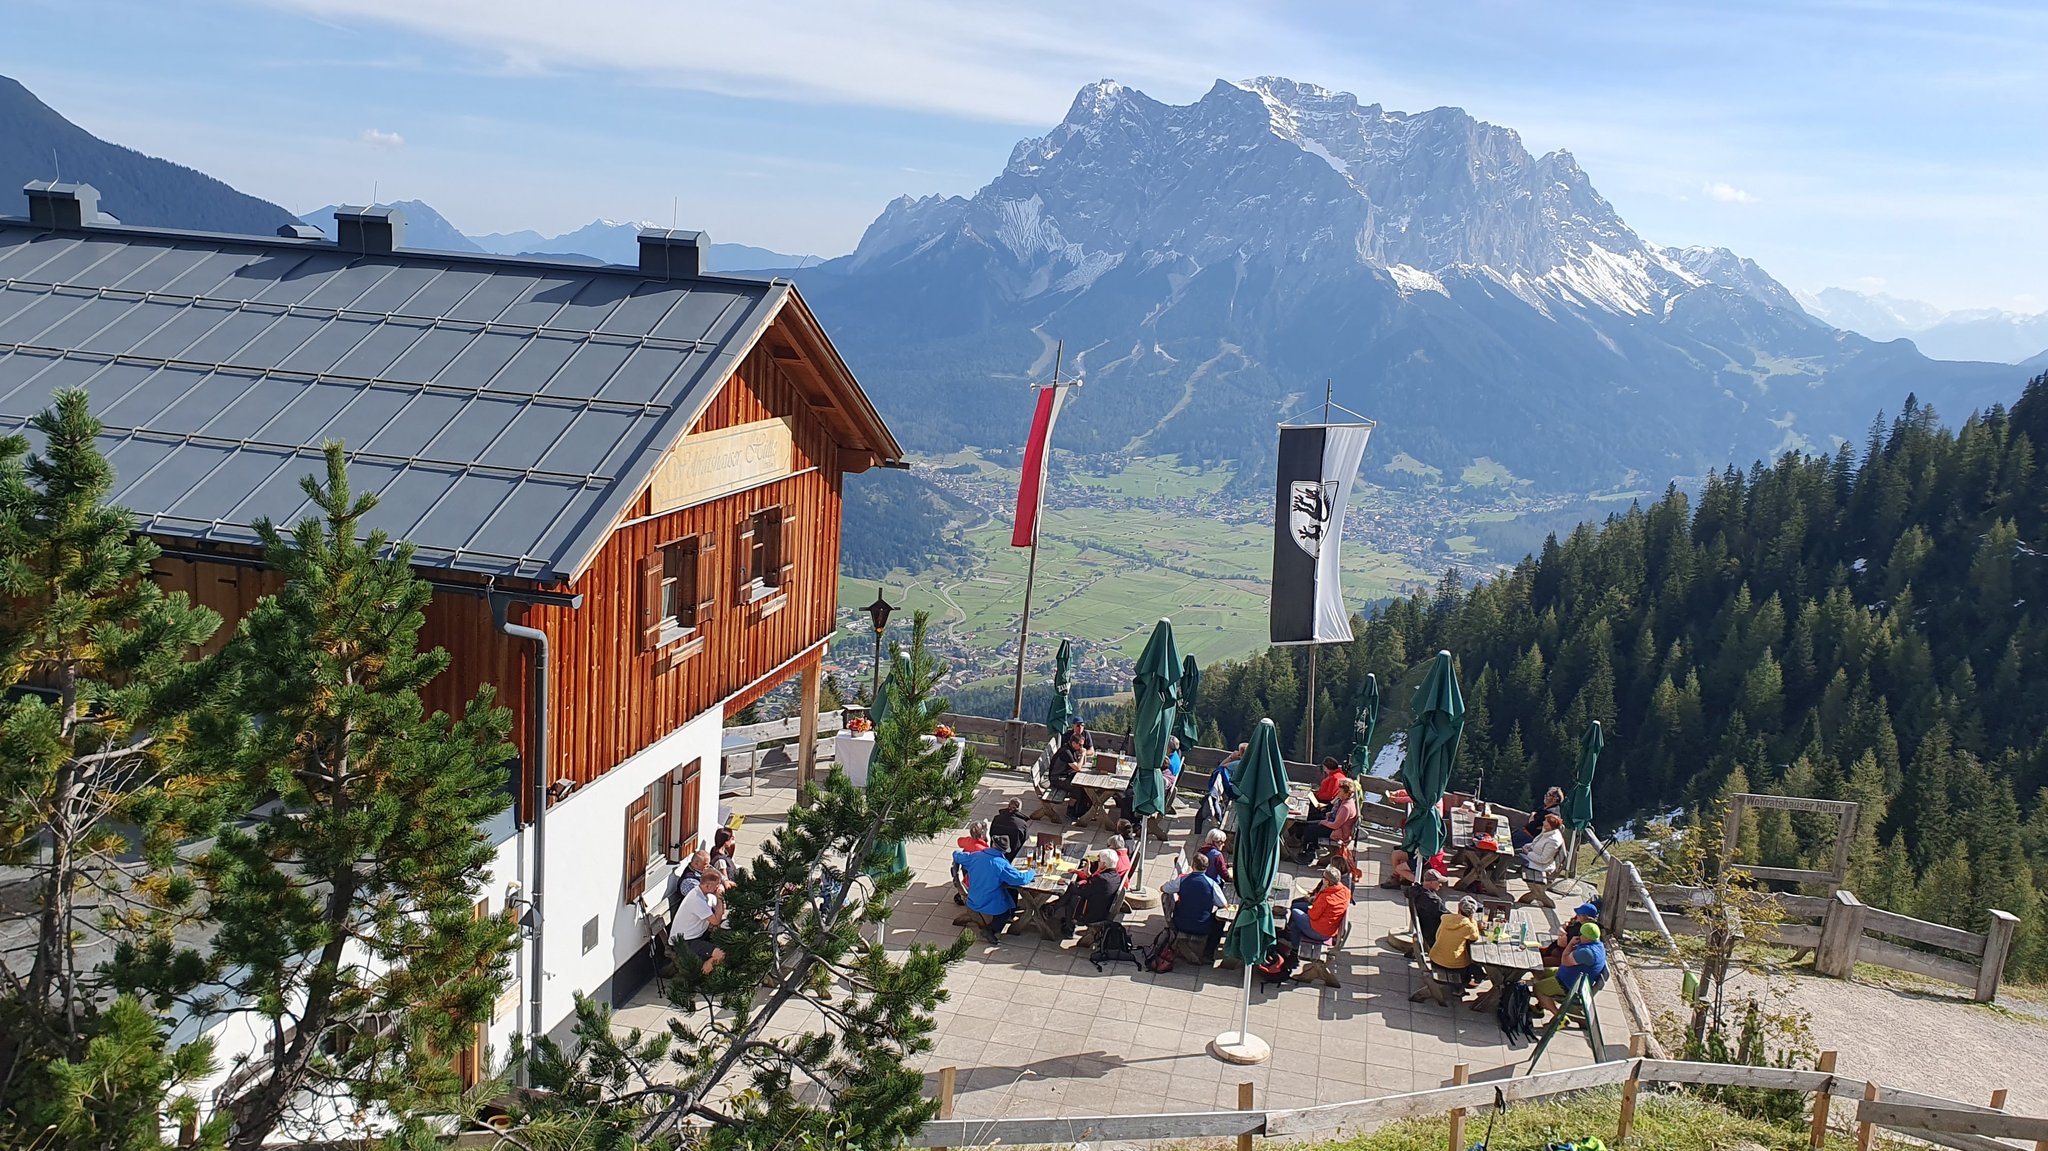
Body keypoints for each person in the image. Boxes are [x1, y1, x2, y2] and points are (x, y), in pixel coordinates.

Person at [952, 839, 1036, 944]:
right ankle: (990, 930)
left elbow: (956, 855)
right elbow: (1021, 879)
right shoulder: (1001, 864)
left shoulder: (975, 856)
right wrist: (1032, 872)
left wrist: (957, 854)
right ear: (1004, 851)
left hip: (972, 898)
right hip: (989, 905)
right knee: (1006, 913)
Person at [1532, 922, 1608, 1017]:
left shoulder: (1587, 952)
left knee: (1538, 988)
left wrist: (1570, 944)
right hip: (1571, 976)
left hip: (1568, 985)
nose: (1579, 936)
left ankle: (1559, 1016)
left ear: (1588, 938)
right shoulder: (1599, 945)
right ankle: (1540, 1007)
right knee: (1538, 971)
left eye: (1581, 934)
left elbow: (1564, 960)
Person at [669, 870, 728, 974]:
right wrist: (719, 898)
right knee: (720, 954)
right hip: (686, 941)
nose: (717, 888)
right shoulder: (696, 900)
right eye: (716, 885)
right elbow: (716, 921)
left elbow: (720, 911)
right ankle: (702, 974)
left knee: (726, 940)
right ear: (708, 886)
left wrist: (719, 899)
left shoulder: (706, 895)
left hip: (699, 934)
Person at [1170, 858, 1228, 963]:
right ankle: (1208, 953)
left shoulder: (1182, 880)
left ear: (1193, 865)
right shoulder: (1212, 884)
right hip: (1202, 926)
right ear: (1206, 867)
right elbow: (1223, 904)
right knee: (1220, 923)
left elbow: (1164, 888)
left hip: (1180, 922)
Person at [1058, 850, 1120, 937]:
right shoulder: (1115, 876)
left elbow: (1084, 892)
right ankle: (1054, 908)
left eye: (1099, 861)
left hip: (1093, 914)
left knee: (1072, 897)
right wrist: (1088, 875)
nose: (1097, 862)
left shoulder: (1101, 878)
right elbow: (1094, 887)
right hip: (1103, 908)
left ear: (1104, 864)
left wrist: (1071, 884)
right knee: (1072, 891)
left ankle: (1068, 928)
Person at [1286, 866, 1351, 949]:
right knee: (1296, 906)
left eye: (1323, 877)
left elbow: (1313, 915)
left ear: (1327, 881)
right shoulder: (1345, 891)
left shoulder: (1326, 898)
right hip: (1329, 928)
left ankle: (1294, 944)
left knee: (1294, 911)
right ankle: (1292, 935)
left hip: (1319, 931)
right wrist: (1315, 901)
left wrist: (1313, 906)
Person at [1193, 742, 1244, 841]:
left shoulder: (1238, 764)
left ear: (1240, 754)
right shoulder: (1252, 765)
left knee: (1221, 771)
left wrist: (1231, 756)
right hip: (1244, 794)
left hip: (1238, 795)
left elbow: (1221, 766)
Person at [1429, 895, 1485, 984]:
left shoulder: (1446, 918)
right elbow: (1475, 937)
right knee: (1475, 965)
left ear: (1458, 907)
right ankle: (1469, 982)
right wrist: (1473, 921)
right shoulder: (1468, 926)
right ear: (1472, 913)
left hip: (1435, 957)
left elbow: (1437, 935)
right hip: (1454, 964)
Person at [1542, 902, 1601, 967]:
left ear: (1586, 917)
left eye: (1579, 914)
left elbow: (1576, 946)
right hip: (1556, 947)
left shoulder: (1587, 930)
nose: (1577, 915)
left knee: (1542, 961)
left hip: (1564, 955)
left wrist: (1565, 943)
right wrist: (1562, 929)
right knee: (1540, 952)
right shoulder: (1577, 922)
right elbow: (1565, 926)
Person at [1048, 729, 1090, 821]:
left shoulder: (1073, 749)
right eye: (1080, 744)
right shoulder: (1066, 752)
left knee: (1084, 787)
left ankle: (1083, 810)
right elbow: (1078, 768)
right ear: (1074, 743)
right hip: (1057, 778)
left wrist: (1084, 754)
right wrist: (1082, 755)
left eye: (1082, 745)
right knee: (1077, 787)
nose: (1081, 747)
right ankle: (1070, 810)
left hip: (1066, 774)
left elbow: (1082, 764)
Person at [665, 849, 710, 931]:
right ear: (696, 864)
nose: (708, 868)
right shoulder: (688, 882)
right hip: (690, 927)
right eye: (706, 865)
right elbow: (700, 899)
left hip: (700, 919)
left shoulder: (701, 871)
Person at [1406, 869, 1451, 950]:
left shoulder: (1415, 891)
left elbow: (1407, 891)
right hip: (1433, 932)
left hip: (1423, 925)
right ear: (1431, 882)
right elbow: (1448, 917)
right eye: (1439, 882)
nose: (1440, 885)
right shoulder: (1433, 900)